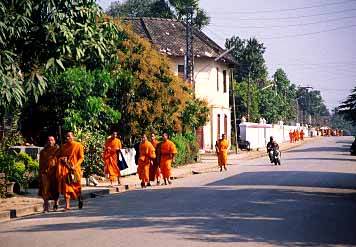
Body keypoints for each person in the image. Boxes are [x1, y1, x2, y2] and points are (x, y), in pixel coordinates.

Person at [57, 132, 84, 210]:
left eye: (69, 136)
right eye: (66, 136)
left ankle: (79, 199)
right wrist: (62, 159)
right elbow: (59, 157)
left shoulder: (78, 145)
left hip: (75, 169)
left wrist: (74, 166)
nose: (67, 138)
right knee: (66, 187)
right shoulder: (63, 146)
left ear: (73, 137)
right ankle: (67, 206)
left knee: (77, 186)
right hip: (65, 168)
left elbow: (81, 158)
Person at [38, 136, 60, 212]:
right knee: (45, 190)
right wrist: (40, 173)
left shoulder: (57, 150)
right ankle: (46, 207)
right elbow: (40, 163)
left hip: (54, 172)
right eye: (49, 140)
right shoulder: (43, 152)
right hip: (45, 173)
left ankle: (56, 204)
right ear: (47, 142)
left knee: (55, 189)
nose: (50, 141)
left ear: (54, 141)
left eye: (52, 140)